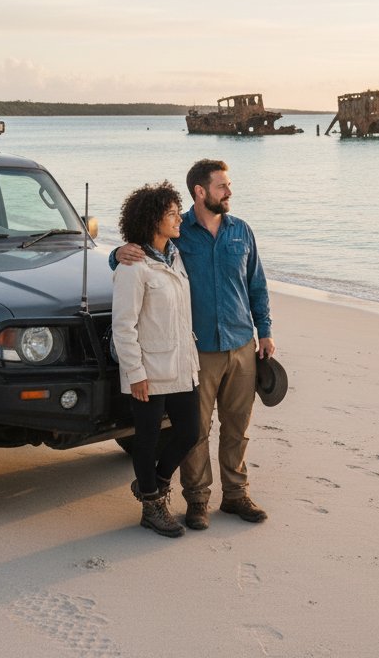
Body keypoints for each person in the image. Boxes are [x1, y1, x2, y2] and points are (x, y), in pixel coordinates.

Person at [112, 159, 274, 530]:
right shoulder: (179, 232)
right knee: (196, 431)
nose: (229, 192)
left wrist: (264, 331)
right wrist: (116, 253)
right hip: (198, 351)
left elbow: (257, 284)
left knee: (237, 426)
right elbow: (141, 254)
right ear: (200, 192)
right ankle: (197, 499)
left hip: (241, 344)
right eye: (222, 186)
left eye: (228, 186)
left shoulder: (242, 231)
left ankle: (235, 495)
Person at [111, 181, 201, 538]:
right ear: (152, 220)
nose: (179, 218)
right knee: (146, 437)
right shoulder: (134, 266)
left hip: (181, 362)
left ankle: (154, 484)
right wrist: (135, 372)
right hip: (147, 368)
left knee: (190, 430)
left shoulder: (174, 256)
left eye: (178, 211)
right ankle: (151, 505)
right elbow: (123, 324)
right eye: (171, 213)